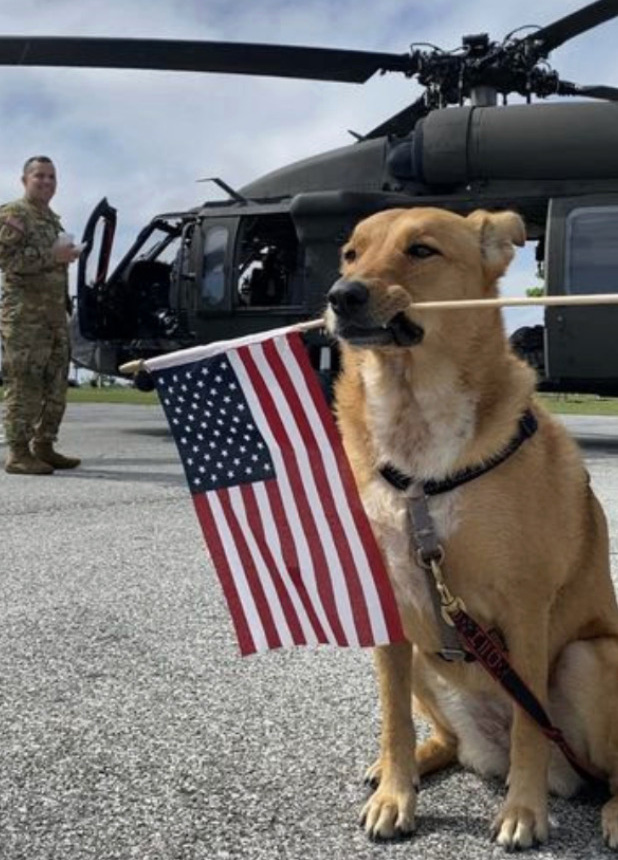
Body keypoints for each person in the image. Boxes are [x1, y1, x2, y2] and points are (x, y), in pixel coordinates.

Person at [0, 156, 81, 475]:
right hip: (24, 318)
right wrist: (52, 255)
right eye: (39, 176)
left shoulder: (52, 220)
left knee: (55, 383)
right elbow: (6, 260)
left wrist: (64, 257)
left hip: (53, 316)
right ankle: (18, 453)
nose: (46, 182)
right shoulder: (13, 214)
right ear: (24, 180)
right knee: (25, 382)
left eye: (51, 177)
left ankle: (44, 446)